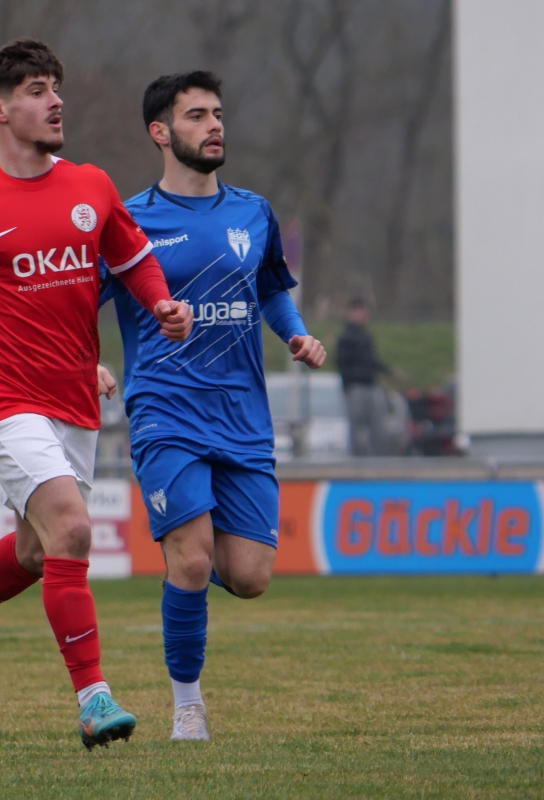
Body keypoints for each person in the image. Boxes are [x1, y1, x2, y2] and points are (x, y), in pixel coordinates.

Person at [0, 38, 192, 749]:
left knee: (36, 549)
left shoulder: (91, 186)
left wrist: (161, 303)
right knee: (73, 531)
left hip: (74, 399)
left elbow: (134, 258)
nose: (56, 102)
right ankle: (94, 699)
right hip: (4, 396)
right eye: (37, 90)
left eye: (56, 87)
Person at [101, 71, 326, 741]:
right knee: (195, 559)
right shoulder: (128, 221)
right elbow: (79, 302)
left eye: (218, 113)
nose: (214, 125)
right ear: (160, 132)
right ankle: (187, 706)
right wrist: (88, 360)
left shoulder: (254, 212)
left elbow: (270, 290)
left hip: (242, 416)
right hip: (164, 408)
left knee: (250, 577)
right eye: (196, 115)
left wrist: (296, 334)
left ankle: (182, 567)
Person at [336, 296, 396, 455]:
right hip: (355, 387)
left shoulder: (366, 336)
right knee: (356, 428)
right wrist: (348, 385)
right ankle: (357, 459)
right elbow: (341, 364)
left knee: (378, 425)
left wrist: (388, 371)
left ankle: (378, 457)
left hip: (371, 385)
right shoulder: (345, 337)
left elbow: (372, 360)